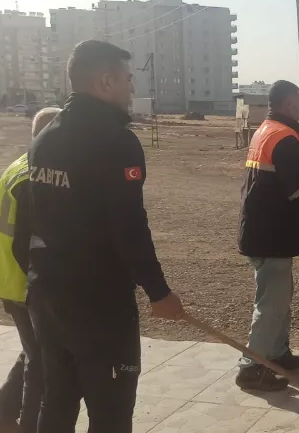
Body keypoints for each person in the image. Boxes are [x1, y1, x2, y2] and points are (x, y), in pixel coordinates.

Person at [26, 40, 185, 433]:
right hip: (100, 306)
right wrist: (158, 292)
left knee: (58, 402)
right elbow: (129, 226)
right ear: (105, 80)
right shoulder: (116, 141)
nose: (132, 89)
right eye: (128, 79)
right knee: (111, 414)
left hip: (49, 296)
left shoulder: (44, 138)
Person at [236, 80, 299, 391]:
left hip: (263, 230)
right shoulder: (286, 137)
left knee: (279, 297)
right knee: (271, 303)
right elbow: (296, 189)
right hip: (271, 235)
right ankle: (251, 367)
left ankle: (277, 353)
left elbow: (281, 178)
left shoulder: (266, 130)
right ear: (289, 103)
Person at [0, 107, 60, 433]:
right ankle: (25, 426)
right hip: (22, 284)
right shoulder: (32, 176)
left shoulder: (21, 166)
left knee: (33, 353)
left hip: (7, 279)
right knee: (41, 363)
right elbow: (27, 244)